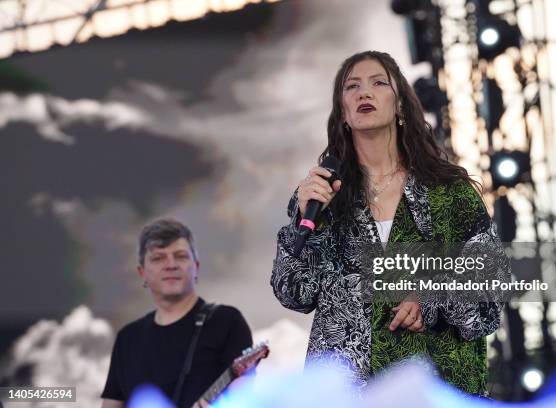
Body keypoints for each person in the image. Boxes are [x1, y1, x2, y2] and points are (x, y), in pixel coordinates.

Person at [271, 51, 510, 396]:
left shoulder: (449, 193)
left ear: (399, 105)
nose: (363, 93)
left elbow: (489, 292)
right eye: (351, 87)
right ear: (343, 113)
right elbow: (293, 292)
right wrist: (301, 224)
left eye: (378, 83)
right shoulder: (321, 196)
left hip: (434, 386)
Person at [101, 219, 252, 408]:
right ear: (142, 273)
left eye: (180, 256)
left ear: (196, 266)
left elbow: (244, 396)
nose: (170, 265)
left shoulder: (226, 321)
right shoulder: (127, 338)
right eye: (158, 258)